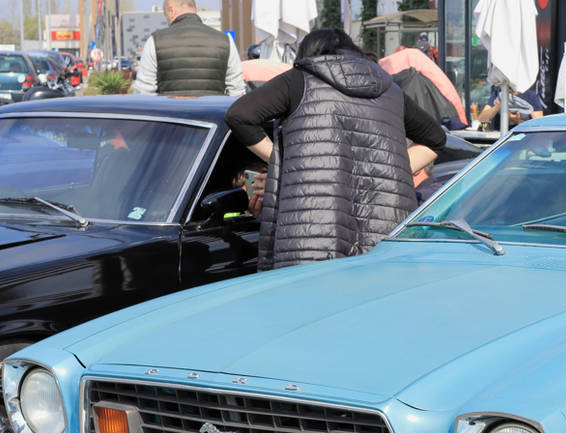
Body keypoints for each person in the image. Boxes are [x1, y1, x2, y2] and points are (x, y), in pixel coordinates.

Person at [224, 28, 433, 271]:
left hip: (311, 235)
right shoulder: (390, 89)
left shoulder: (300, 79)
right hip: (381, 235)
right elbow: (435, 139)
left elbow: (239, 115)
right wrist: (387, 170)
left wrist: (289, 166)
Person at [131, 0, 244, 96]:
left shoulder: (155, 41)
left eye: (165, 15)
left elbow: (143, 92)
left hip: (171, 118)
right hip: (212, 119)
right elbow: (237, 91)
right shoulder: (225, 40)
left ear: (171, 11)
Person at [477, 85, 545, 128]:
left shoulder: (530, 95)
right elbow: (482, 118)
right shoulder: (498, 93)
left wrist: (515, 119)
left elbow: (538, 126)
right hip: (499, 138)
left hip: (524, 139)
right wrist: (497, 107)